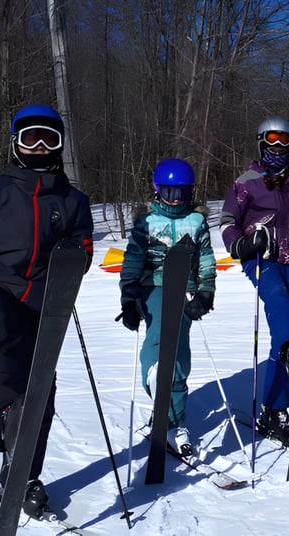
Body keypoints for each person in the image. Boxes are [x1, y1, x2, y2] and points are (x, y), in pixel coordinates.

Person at [0, 104, 93, 516]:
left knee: (42, 384)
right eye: (32, 138)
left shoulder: (73, 200)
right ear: (15, 143)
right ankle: (7, 419)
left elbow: (82, 249)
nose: (41, 146)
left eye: (51, 139)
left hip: (47, 300)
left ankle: (24, 471)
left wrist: (73, 260)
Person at [220, 117, 289, 444]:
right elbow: (228, 220)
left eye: (284, 141)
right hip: (261, 259)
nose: (277, 147)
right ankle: (275, 403)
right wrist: (241, 244)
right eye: (272, 141)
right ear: (261, 142)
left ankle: (275, 410)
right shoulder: (247, 181)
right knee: (285, 319)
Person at [119, 158, 216, 457]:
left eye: (182, 194)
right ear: (157, 189)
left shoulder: (197, 221)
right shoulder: (146, 222)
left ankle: (171, 414)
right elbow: (133, 260)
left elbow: (206, 259)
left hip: (184, 289)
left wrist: (205, 292)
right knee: (161, 339)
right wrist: (129, 296)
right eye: (169, 192)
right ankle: (158, 380)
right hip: (153, 286)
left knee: (181, 354)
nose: (175, 200)